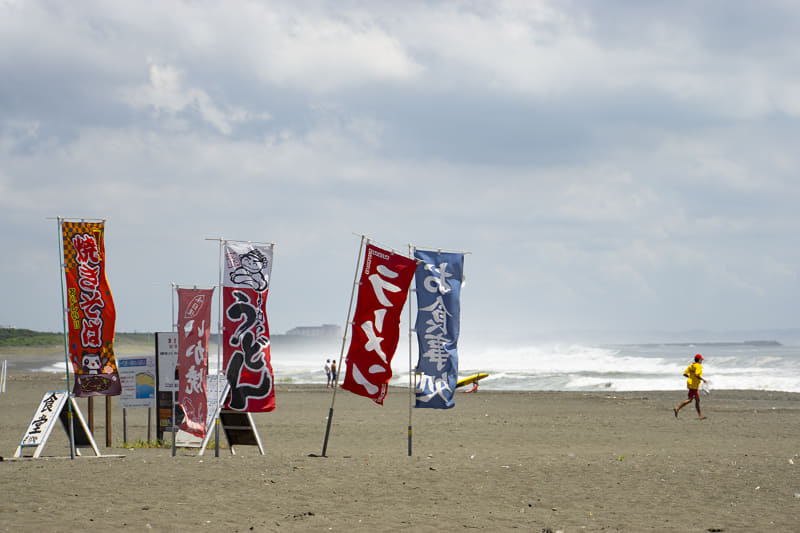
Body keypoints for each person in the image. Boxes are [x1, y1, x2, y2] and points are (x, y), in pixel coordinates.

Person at [674, 354, 708, 419]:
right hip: (694, 385)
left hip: (690, 384)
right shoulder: (698, 366)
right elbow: (697, 375)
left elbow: (684, 374)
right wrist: (703, 379)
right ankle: (677, 408)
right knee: (690, 400)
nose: (702, 361)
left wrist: (690, 377)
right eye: (701, 359)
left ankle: (700, 415)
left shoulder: (691, 365)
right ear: (699, 360)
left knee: (697, 400)